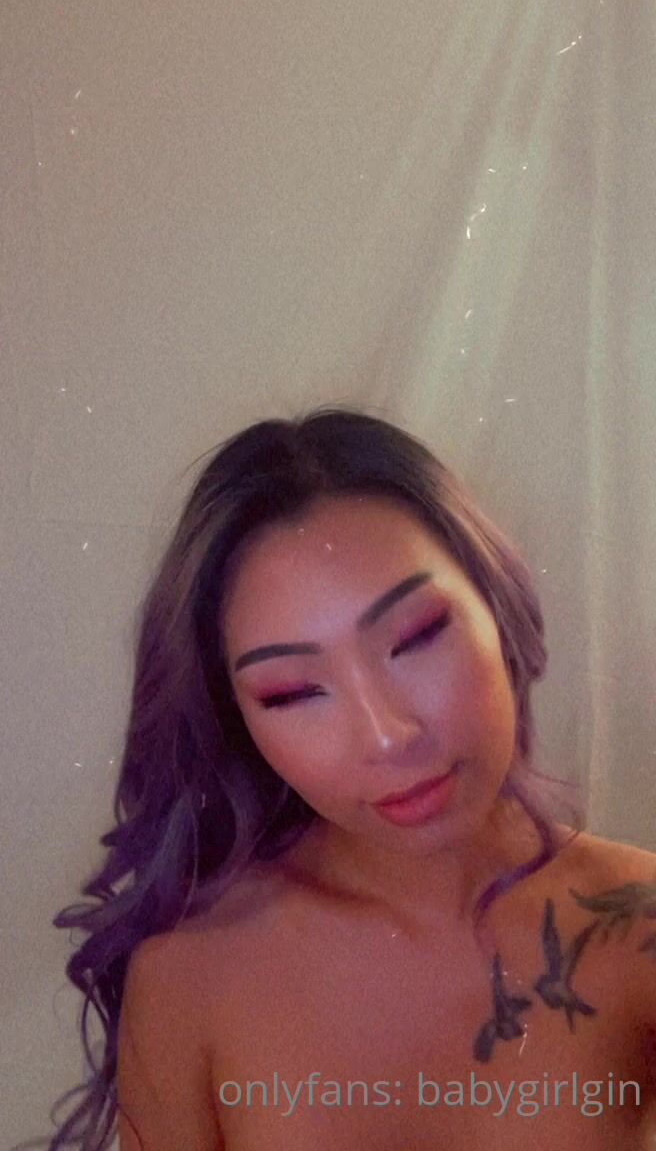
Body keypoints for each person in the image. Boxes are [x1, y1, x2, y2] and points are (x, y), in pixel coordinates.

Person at [13, 403, 656, 1151]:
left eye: (417, 636)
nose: (387, 735)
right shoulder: (192, 973)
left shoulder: (638, 926)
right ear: (239, 721)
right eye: (292, 692)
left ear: (498, 603)